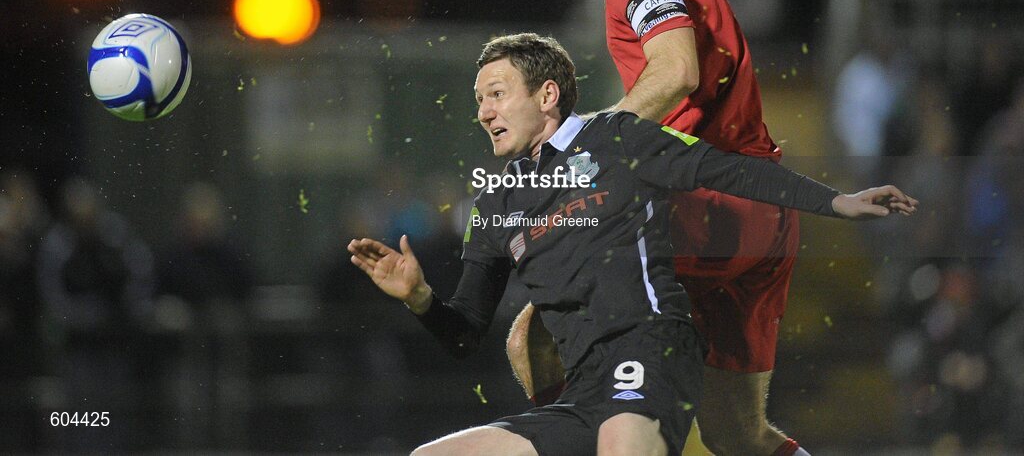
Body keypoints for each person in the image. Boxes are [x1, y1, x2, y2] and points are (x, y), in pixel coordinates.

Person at [349, 33, 916, 456]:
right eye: (478, 101)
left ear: (547, 94)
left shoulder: (617, 138)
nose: (483, 112)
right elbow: (466, 334)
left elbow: (729, 172)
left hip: (651, 349)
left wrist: (837, 202)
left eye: (496, 94)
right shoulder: (496, 203)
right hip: (581, 391)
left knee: (639, 445)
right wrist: (420, 297)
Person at [505, 0, 809, 455]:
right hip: (764, 207)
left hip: (710, 206)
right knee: (738, 436)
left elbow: (675, 71)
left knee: (535, 330)